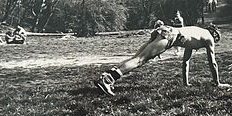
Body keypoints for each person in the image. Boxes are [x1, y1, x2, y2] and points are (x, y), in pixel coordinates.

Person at [94, 21, 225, 95]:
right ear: (214, 34)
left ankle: (107, 76)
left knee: (136, 58)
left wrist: (186, 83)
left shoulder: (197, 33)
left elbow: (186, 62)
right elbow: (212, 63)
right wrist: (217, 83)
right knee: (140, 60)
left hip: (164, 30)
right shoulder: (209, 38)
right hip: (171, 35)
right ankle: (108, 80)